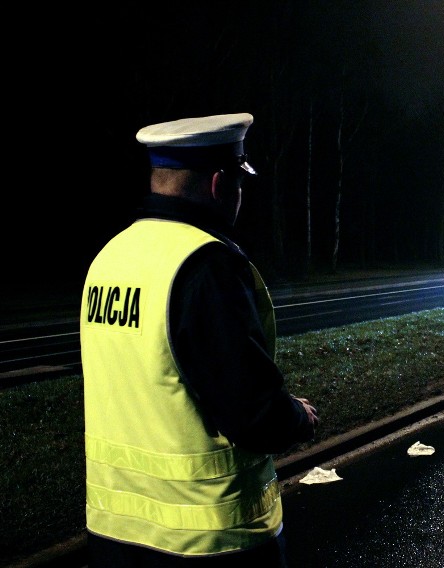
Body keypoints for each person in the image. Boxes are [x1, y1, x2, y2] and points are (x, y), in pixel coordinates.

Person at [80, 113, 319, 567]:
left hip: (114, 533)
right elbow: (252, 411)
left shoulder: (110, 257)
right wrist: (296, 419)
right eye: (239, 183)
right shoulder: (205, 265)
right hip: (209, 541)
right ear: (218, 185)